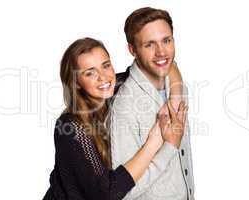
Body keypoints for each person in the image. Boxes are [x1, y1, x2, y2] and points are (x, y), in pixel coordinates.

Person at [43, 37, 186, 200]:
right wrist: (155, 142)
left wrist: (175, 98)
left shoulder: (114, 90)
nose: (103, 77)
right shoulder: (70, 127)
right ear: (76, 83)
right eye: (90, 73)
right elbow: (107, 194)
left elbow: (164, 66)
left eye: (106, 65)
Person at [108, 7, 195, 200]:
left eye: (166, 40)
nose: (161, 52)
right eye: (149, 45)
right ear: (133, 50)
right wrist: (169, 146)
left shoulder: (177, 88)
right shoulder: (126, 105)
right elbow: (124, 192)